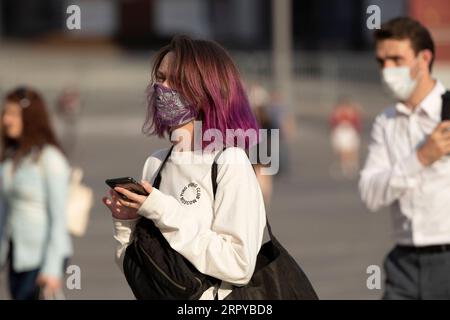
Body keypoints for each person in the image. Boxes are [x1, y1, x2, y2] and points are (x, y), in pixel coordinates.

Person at [102, 36, 267, 300]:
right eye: (160, 77)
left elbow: (239, 265)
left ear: (207, 90)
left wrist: (161, 210)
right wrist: (125, 225)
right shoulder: (156, 163)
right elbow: (145, 274)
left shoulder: (229, 161)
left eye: (174, 81)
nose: (161, 88)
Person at [359, 17, 450, 299]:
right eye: (382, 61)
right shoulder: (385, 123)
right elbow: (370, 193)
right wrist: (420, 159)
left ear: (424, 58)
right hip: (403, 263)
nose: (388, 70)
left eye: (397, 60)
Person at [0, 87, 72, 300]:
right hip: (16, 256)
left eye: (12, 114)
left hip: (41, 258)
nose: (6, 120)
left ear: (29, 117)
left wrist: (52, 268)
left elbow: (59, 219)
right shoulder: (13, 158)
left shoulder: (50, 159)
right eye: (5, 113)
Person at [329, 97, 362, 179]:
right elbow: (332, 122)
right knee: (343, 150)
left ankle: (352, 165)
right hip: (341, 131)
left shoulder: (352, 111)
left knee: (351, 149)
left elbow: (357, 121)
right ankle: (345, 166)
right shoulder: (337, 112)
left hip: (349, 131)